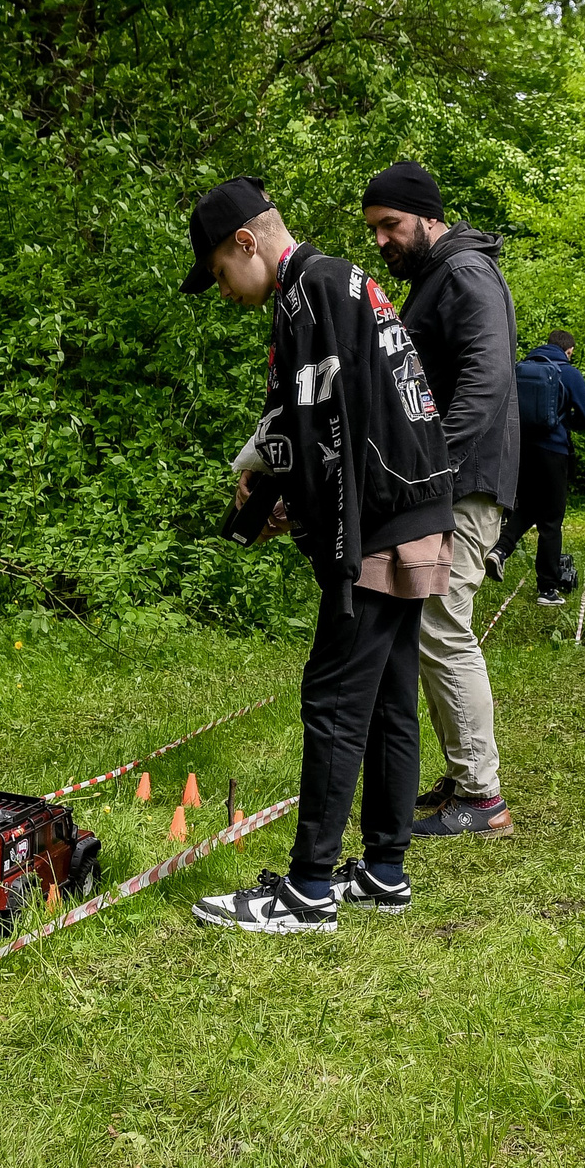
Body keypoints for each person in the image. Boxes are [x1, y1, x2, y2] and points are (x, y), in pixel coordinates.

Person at [184, 177, 458, 933]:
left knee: (335, 697)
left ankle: (306, 893)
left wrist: (277, 503)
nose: (223, 290)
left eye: (217, 272)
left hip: (377, 520)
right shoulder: (349, 282)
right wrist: (281, 490)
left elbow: (308, 424)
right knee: (390, 696)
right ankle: (385, 872)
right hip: (419, 506)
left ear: (247, 242)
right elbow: (335, 410)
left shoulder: (305, 291)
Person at [359, 161, 520, 841]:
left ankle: (483, 799)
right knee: (433, 630)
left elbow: (486, 377)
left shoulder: (463, 274)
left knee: (442, 630)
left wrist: (429, 463)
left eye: (390, 225)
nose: (381, 241)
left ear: (427, 215)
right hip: (453, 483)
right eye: (373, 230)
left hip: (464, 484)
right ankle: (464, 775)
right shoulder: (441, 275)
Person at [491, 330, 585, 606]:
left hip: (522, 449)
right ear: (569, 350)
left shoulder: (520, 369)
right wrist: (565, 425)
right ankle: (547, 589)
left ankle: (500, 550)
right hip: (554, 451)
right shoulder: (568, 373)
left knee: (527, 507)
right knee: (551, 520)